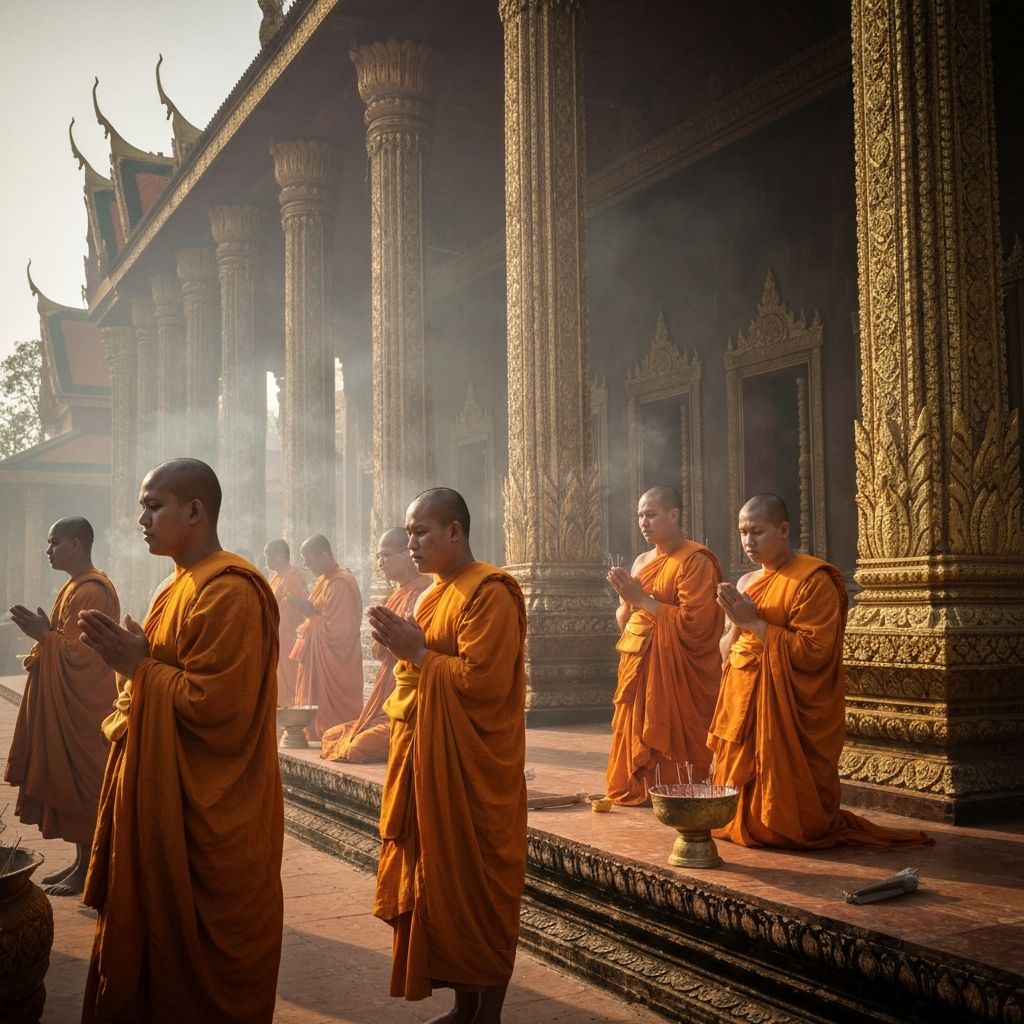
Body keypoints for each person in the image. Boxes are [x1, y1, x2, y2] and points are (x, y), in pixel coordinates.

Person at [77, 458, 283, 1023]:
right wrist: (137, 666)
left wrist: (140, 668)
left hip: (211, 813)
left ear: (195, 511)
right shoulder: (174, 586)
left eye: (153, 506)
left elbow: (220, 709)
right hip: (163, 798)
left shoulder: (230, 591)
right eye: (141, 507)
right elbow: (160, 680)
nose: (141, 519)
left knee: (207, 969)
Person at [367, 487, 527, 1024]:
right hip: (429, 755)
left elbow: (484, 681)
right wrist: (405, 653)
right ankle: (464, 1006)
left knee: (481, 885)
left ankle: (489, 1013)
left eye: (421, 532)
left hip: (476, 766)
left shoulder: (489, 592)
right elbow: (417, 672)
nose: (410, 543)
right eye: (408, 533)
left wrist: (415, 652)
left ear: (455, 531)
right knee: (440, 884)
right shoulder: (433, 595)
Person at [709, 493, 932, 849]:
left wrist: (753, 622)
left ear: (783, 530)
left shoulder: (813, 580)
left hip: (785, 706)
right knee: (731, 810)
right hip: (743, 697)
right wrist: (737, 621)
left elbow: (814, 652)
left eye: (757, 531)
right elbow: (725, 652)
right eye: (743, 532)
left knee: (781, 818)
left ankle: (780, 821)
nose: (748, 541)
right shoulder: (746, 583)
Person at [4, 516, 119, 897]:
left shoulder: (93, 590)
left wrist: (44, 636)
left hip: (86, 702)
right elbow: (65, 640)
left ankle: (89, 868)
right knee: (69, 780)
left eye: (54, 542)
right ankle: (80, 861)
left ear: (76, 543)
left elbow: (85, 654)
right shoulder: (74, 586)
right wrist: (47, 635)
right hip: (70, 699)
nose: (48, 550)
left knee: (85, 783)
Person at [605, 486, 724, 805]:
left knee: (669, 734)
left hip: (676, 669)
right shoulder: (641, 562)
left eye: (651, 514)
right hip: (640, 661)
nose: (644, 522)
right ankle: (641, 785)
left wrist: (641, 599)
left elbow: (696, 625)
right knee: (637, 725)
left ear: (673, 515)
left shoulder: (695, 560)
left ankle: (676, 786)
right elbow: (628, 622)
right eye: (640, 515)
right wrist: (627, 601)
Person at [320, 527, 429, 764]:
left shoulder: (423, 592)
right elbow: (381, 650)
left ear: (407, 554)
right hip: (387, 691)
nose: (380, 563)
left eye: (386, 555)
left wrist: (387, 639)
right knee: (332, 735)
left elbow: (413, 646)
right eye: (378, 556)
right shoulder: (398, 594)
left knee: (359, 746)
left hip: (409, 696)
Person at [291, 534, 364, 740]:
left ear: (324, 556)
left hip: (337, 662)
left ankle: (334, 735)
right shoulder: (324, 580)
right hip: (319, 656)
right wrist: (309, 614)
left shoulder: (340, 583)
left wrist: (311, 614)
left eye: (309, 559)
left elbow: (340, 632)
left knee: (336, 726)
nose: (306, 564)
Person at [264, 537, 309, 706]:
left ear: (281, 555)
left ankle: (291, 709)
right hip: (275, 633)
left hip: (287, 635)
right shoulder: (275, 577)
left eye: (270, 556)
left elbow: (299, 607)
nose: (267, 561)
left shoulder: (292, 577)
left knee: (290, 676)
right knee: (276, 675)